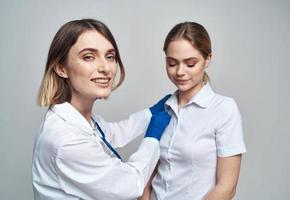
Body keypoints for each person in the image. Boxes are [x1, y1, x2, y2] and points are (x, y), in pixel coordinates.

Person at [32, 18, 171, 200]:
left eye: (110, 56)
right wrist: (153, 136)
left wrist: (150, 113)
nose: (106, 68)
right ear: (61, 68)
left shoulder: (81, 119)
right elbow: (131, 184)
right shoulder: (66, 140)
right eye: (88, 57)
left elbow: (111, 134)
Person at [140, 22, 247, 200]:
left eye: (190, 64)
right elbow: (148, 171)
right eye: (172, 63)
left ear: (208, 59)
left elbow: (226, 187)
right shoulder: (163, 108)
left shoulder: (224, 109)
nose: (180, 72)